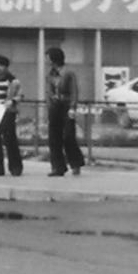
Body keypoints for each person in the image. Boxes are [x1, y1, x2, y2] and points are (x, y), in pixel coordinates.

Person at [44, 46, 85, 177]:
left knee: (68, 136)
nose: (47, 60)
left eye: (48, 57)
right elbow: (48, 90)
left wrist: (73, 107)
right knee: (53, 137)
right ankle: (58, 167)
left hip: (67, 106)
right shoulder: (50, 74)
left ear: (54, 58)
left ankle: (75, 162)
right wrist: (50, 103)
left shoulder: (68, 73)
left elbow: (74, 91)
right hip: (55, 106)